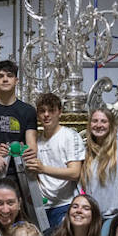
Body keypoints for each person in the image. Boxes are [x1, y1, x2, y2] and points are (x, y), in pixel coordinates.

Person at [25, 92, 85, 227]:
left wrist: (43, 169)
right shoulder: (36, 141)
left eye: (51, 110)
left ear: (59, 112)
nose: (46, 115)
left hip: (65, 204)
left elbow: (75, 173)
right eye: (42, 111)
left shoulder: (70, 136)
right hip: (41, 206)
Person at [80, 106, 118, 217]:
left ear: (111, 125)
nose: (98, 125)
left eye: (103, 121)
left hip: (117, 217)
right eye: (95, 121)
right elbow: (81, 186)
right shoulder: (86, 150)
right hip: (91, 217)